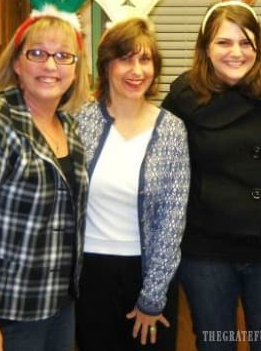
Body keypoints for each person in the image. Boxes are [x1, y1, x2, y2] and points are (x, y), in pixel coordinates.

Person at [0, 14, 91, 351]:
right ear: (17, 63)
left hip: (55, 304)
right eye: (37, 53)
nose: (50, 65)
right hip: (1, 311)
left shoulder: (68, 127)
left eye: (63, 55)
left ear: (76, 68)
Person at [161, 1, 261, 350]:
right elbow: (160, 163)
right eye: (224, 42)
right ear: (206, 47)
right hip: (206, 246)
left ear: (259, 46)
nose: (236, 52)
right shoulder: (183, 96)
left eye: (246, 43)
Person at [74, 17, 189, 350]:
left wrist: (152, 298)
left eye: (145, 59)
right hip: (89, 274)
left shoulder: (171, 130)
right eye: (125, 58)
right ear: (107, 64)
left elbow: (172, 220)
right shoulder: (81, 121)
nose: (136, 70)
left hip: (148, 272)